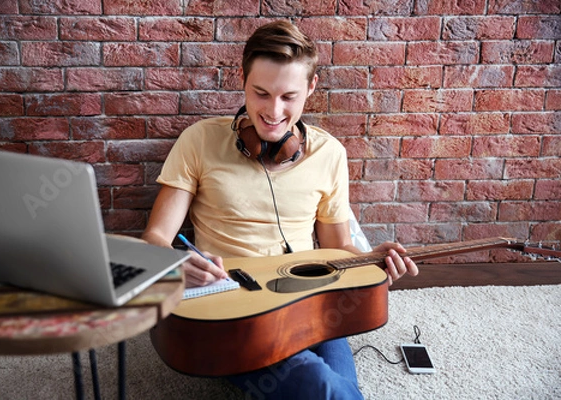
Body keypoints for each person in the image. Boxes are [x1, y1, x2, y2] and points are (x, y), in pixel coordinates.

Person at [143, 20, 419, 400]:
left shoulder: (330, 154)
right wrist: (174, 264)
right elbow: (155, 237)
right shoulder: (198, 141)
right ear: (242, 80)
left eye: (289, 97)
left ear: (311, 88)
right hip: (236, 314)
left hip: (312, 302)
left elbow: (337, 249)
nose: (273, 111)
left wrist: (373, 262)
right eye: (261, 93)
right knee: (324, 387)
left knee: (335, 390)